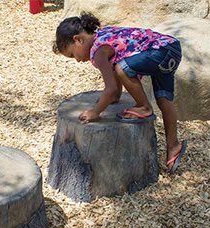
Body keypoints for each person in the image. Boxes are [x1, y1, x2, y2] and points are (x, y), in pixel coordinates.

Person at [52, 12, 187, 174]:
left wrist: (96, 111)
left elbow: (112, 88)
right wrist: (112, 98)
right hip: (170, 47)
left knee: (123, 68)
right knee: (164, 99)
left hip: (160, 52)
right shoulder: (103, 36)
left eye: (73, 54)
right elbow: (115, 88)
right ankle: (174, 146)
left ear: (78, 39)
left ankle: (144, 107)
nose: (77, 60)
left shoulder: (98, 51)